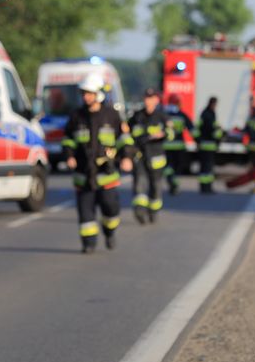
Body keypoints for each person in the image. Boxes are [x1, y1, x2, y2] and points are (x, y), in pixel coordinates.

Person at [63, 74, 134, 253]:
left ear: (98, 94)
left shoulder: (111, 115)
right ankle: (89, 243)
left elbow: (124, 139)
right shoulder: (76, 116)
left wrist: (126, 157)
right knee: (85, 213)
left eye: (89, 93)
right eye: (84, 93)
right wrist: (69, 155)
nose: (86, 97)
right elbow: (68, 140)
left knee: (110, 210)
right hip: (83, 174)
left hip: (106, 175)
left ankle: (109, 232)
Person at [129, 88, 171, 224]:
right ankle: (140, 211)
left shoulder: (162, 116)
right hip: (140, 156)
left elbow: (171, 134)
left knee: (156, 187)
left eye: (151, 98)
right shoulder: (137, 116)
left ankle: (153, 211)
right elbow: (128, 134)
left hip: (156, 157)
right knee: (139, 183)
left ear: (157, 100)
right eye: (147, 98)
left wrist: (163, 134)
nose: (148, 101)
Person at [163, 94, 194, 195]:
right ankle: (174, 181)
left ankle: (171, 179)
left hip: (165, 146)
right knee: (177, 167)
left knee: (167, 166)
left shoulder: (163, 114)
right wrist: (198, 141)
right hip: (178, 146)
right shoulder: (182, 115)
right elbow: (192, 130)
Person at [193, 97, 222, 194]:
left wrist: (198, 141)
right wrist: (219, 139)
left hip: (203, 144)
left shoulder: (204, 113)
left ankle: (204, 187)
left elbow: (198, 128)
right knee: (208, 168)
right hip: (209, 145)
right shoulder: (210, 114)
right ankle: (207, 187)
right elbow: (214, 130)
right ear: (212, 104)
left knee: (204, 167)